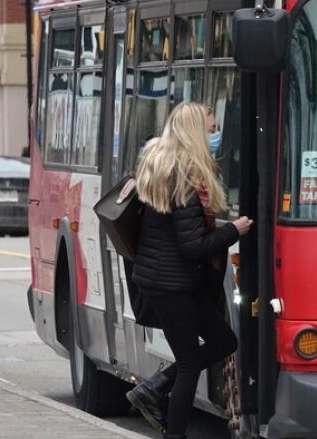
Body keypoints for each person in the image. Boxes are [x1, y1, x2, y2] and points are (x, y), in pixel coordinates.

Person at [125, 102, 253, 439]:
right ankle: (172, 429)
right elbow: (192, 246)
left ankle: (154, 389)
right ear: (196, 133)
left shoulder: (161, 165)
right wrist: (233, 230)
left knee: (224, 340)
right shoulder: (184, 180)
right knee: (188, 364)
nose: (216, 136)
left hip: (167, 281)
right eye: (211, 130)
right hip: (171, 284)